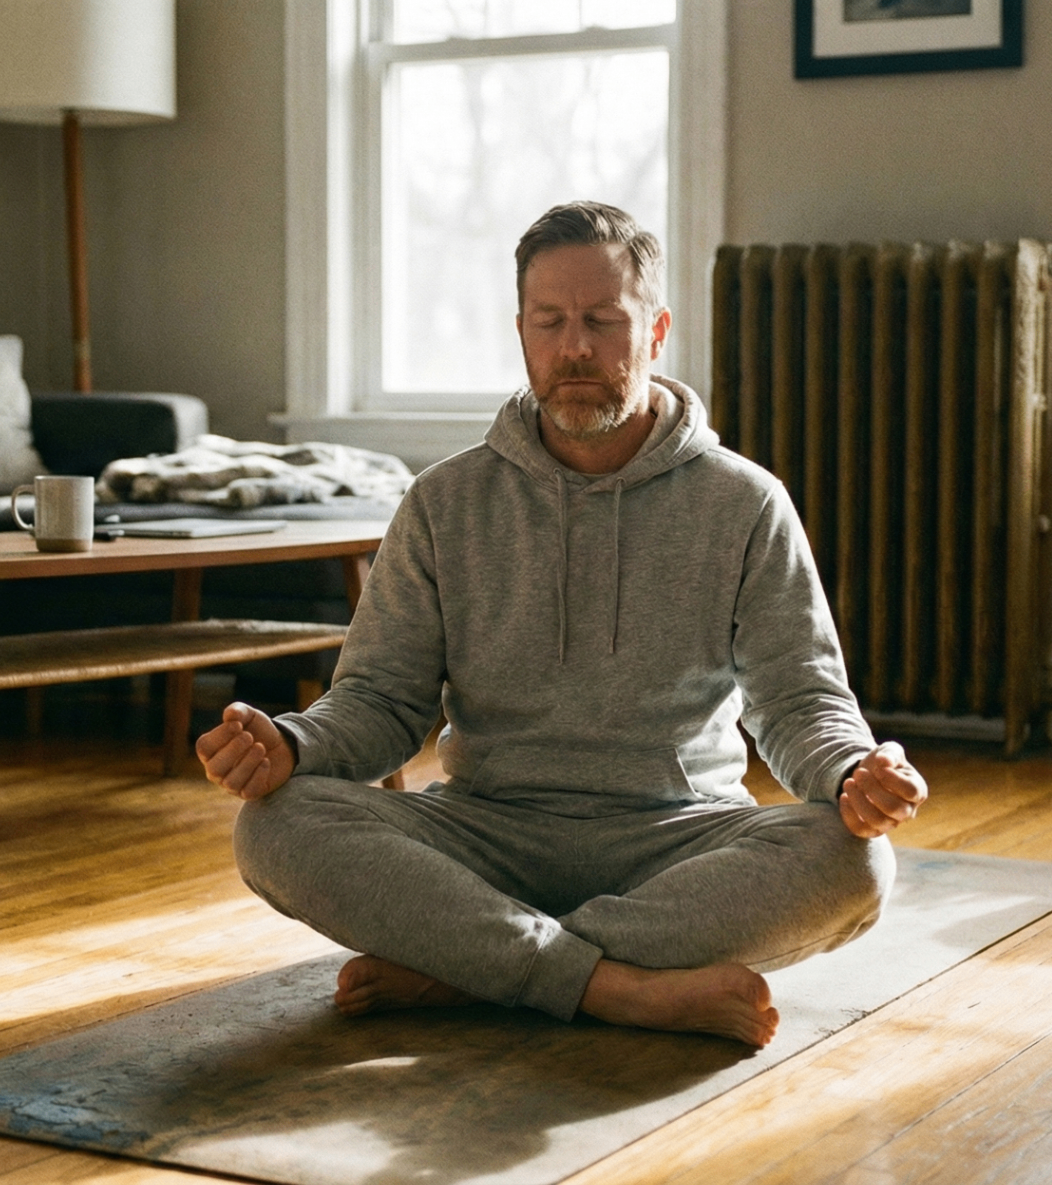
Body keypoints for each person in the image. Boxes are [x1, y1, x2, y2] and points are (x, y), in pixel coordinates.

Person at [197, 201, 928, 1048]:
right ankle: (620, 987)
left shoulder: (745, 502)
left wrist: (851, 772)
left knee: (854, 861)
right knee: (276, 826)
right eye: (550, 321)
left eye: (602, 320)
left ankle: (471, 963)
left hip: (677, 838)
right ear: (521, 331)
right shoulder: (444, 501)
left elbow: (799, 699)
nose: (575, 346)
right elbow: (381, 700)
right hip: (485, 829)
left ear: (653, 330)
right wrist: (293, 745)